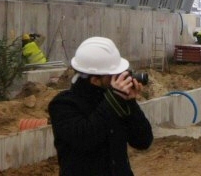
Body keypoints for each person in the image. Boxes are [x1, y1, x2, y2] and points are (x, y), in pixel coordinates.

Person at [48, 36, 153, 175]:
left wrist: (130, 103)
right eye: (112, 75)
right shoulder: (63, 105)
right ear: (95, 80)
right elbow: (86, 138)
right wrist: (114, 98)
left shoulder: (113, 100)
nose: (119, 78)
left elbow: (143, 141)